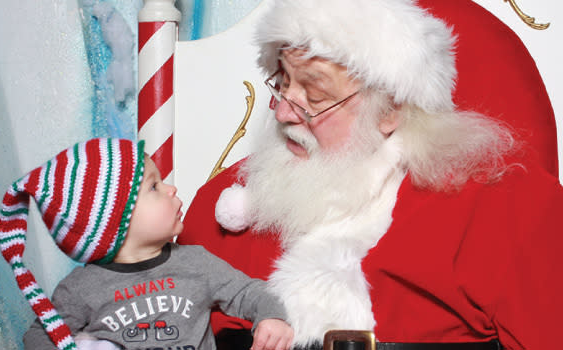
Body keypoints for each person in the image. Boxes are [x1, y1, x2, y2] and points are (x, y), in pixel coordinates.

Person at [177, 0, 563, 349]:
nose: (282, 114)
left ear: (390, 110)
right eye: (281, 83)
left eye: (314, 96)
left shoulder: (504, 210)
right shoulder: (219, 206)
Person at [0, 138, 293, 350]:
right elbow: (39, 337)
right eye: (154, 186)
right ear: (115, 220)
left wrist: (272, 317)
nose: (171, 188)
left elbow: (253, 292)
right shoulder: (80, 288)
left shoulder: (196, 264)